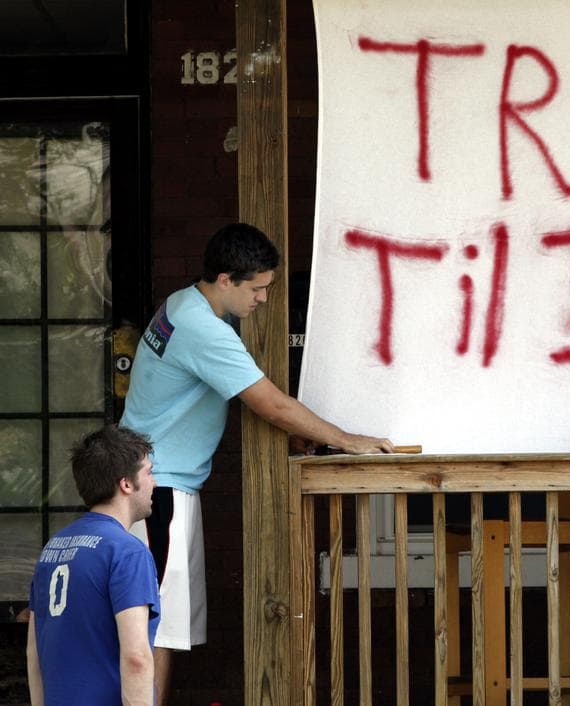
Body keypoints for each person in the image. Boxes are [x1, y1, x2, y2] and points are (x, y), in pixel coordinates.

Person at [120, 222, 394, 704]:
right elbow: (271, 403)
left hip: (150, 480)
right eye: (258, 288)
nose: (265, 299)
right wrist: (348, 440)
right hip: (158, 490)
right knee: (157, 628)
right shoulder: (204, 327)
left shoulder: (182, 305)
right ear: (226, 279)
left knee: (156, 624)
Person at [26, 425, 160, 705]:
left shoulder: (51, 549)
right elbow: (136, 657)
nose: (154, 483)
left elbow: (34, 653)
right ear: (126, 483)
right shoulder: (128, 552)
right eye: (148, 472)